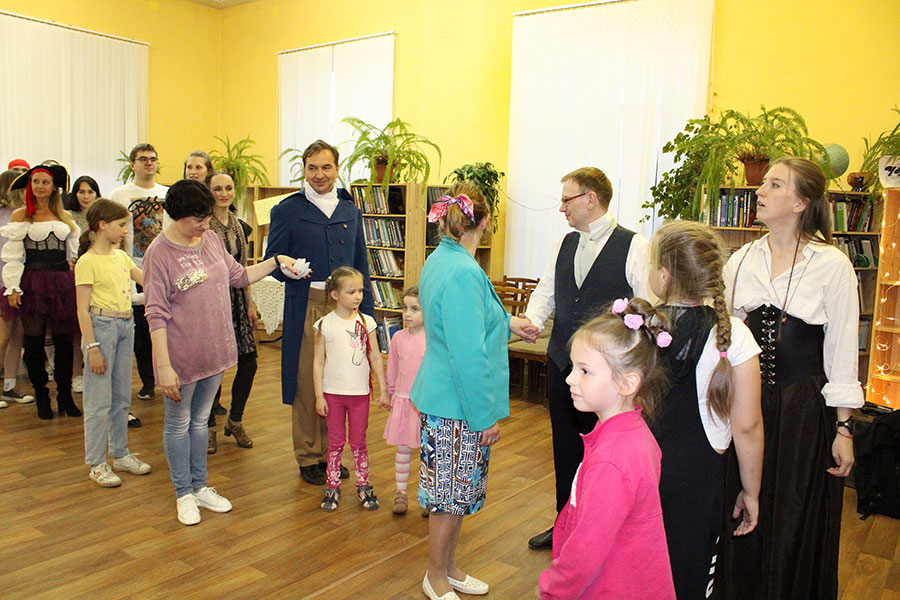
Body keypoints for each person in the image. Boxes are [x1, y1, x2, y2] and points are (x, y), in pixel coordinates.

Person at [717, 157, 863, 599]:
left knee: (794, 514)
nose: (760, 191)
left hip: (803, 411)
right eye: (763, 183)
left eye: (775, 185)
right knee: (743, 500)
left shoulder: (832, 264)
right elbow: (724, 337)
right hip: (747, 406)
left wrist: (844, 429)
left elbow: (841, 351)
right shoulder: (741, 260)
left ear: (801, 202)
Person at [143, 178, 303, 526]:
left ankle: (200, 486)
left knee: (202, 420)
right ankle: (183, 492)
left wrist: (276, 261)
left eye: (207, 217)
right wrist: (164, 366)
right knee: (178, 424)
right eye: (198, 219)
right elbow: (155, 313)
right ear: (177, 215)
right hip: (180, 356)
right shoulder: (159, 253)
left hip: (214, 350)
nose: (205, 224)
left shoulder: (211, 239)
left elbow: (238, 276)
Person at [520, 167, 655, 551]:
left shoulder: (634, 246)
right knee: (564, 448)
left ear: (591, 199)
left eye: (567, 199)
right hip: (562, 364)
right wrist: (532, 321)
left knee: (603, 454)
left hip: (609, 376)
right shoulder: (563, 244)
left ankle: (599, 535)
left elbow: (648, 307)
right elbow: (546, 291)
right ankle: (563, 524)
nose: (562, 207)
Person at [412, 184, 533, 600]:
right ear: (484, 221)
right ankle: (435, 575)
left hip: (447, 397)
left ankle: (447, 567)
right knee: (449, 496)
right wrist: (485, 417)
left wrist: (509, 323)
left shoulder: (443, 258)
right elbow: (467, 354)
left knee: (458, 491)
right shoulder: (463, 270)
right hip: (457, 404)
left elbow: (462, 318)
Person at [648, 221, 764, 598]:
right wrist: (751, 492)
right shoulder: (735, 335)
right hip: (697, 481)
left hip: (638, 471)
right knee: (689, 577)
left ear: (663, 275)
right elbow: (747, 426)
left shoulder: (637, 325)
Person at [537, 298, 675, 600]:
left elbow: (585, 551)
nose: (570, 378)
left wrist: (551, 588)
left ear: (627, 384)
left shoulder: (611, 461)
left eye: (585, 371)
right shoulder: (635, 433)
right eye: (573, 367)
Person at [264, 139, 370, 486]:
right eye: (312, 168)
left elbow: (361, 264)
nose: (319, 174)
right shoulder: (287, 210)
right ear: (304, 170)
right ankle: (309, 455)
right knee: (308, 382)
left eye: (326, 167)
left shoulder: (350, 210)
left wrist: (366, 317)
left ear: (337, 169)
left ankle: (331, 454)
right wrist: (288, 270)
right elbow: (273, 262)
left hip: (345, 307)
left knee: (338, 381)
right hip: (308, 306)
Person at [74, 199, 151, 487]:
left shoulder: (120, 257)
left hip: (125, 325)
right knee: (98, 401)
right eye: (120, 225)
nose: (125, 231)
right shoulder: (87, 261)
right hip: (101, 328)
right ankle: (96, 462)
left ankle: (120, 453)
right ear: (102, 225)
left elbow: (148, 280)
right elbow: (82, 310)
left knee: (121, 396)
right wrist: (92, 347)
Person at [1, 164, 81, 419]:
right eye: (35, 182)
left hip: (62, 282)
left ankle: (65, 395)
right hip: (33, 282)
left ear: (54, 186)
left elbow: (74, 255)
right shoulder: (21, 216)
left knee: (64, 342)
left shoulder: (65, 217)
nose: (40, 186)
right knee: (34, 341)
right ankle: (42, 396)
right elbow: (14, 256)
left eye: (45, 182)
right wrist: (13, 287)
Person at [313, 266, 389, 512]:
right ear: (335, 294)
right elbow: (318, 362)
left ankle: (363, 485)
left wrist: (383, 389)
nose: (358, 296)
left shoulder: (367, 322)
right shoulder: (324, 324)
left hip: (359, 395)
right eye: (351, 291)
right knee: (335, 442)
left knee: (359, 441)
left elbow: (375, 356)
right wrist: (319, 395)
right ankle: (332, 486)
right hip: (333, 394)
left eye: (360, 291)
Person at [110, 143, 168, 415]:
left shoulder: (167, 194)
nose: (148, 163)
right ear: (132, 164)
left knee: (165, 326)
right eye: (143, 159)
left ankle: (165, 374)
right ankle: (147, 380)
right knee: (141, 331)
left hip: (163, 267)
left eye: (152, 159)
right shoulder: (119, 195)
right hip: (130, 266)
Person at [206, 172, 258, 453]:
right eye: (217, 188)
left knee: (249, 362)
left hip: (237, 299)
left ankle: (235, 420)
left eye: (228, 188)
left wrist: (250, 303)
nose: (223, 193)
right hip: (212, 299)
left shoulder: (238, 225)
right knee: (214, 367)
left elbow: (243, 267)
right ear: (208, 191)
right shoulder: (204, 225)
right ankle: (208, 427)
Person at [383, 286, 426, 515]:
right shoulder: (398, 338)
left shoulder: (434, 339)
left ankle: (427, 496)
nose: (407, 314)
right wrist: (389, 393)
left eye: (415, 309)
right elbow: (393, 368)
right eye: (405, 308)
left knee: (428, 453)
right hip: (403, 401)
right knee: (403, 450)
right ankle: (400, 492)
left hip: (426, 405)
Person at [0, 170, 33, 408]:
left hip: (22, 282)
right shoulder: (5, 216)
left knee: (17, 335)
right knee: (3, 335)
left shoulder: (24, 215)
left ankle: (9, 386)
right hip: (4, 282)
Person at [68, 175, 101, 395]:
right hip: (77, 275)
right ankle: (76, 374)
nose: (86, 196)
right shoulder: (69, 217)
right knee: (77, 330)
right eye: (81, 192)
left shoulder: (102, 217)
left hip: (100, 277)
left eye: (90, 191)